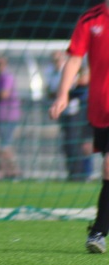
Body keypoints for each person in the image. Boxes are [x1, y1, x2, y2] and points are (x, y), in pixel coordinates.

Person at [50, 0, 109, 254]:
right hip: (100, 109)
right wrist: (62, 95)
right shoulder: (90, 20)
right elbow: (74, 59)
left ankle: (98, 232)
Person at [46, 51, 92, 181]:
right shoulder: (51, 72)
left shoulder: (76, 69)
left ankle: (82, 173)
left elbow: (82, 84)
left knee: (80, 143)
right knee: (69, 143)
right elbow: (49, 90)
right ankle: (74, 173)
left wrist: (65, 95)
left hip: (79, 111)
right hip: (65, 111)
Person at [0, 56, 21, 179]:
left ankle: (14, 171)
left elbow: (4, 94)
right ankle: (4, 170)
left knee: (5, 145)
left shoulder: (7, 77)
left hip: (9, 116)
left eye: (1, 63)